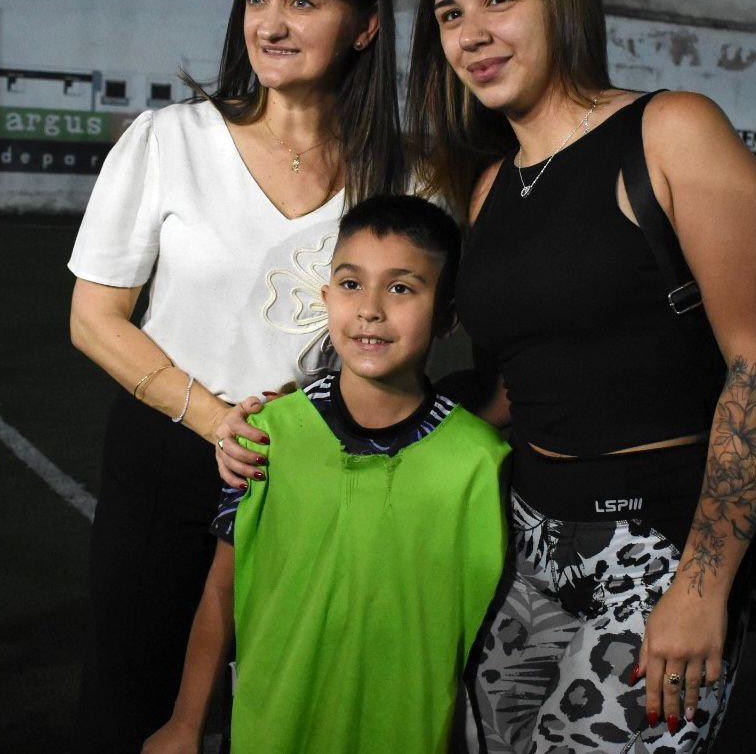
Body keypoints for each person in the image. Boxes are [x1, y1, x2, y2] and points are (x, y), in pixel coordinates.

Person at [399, 0, 756, 752]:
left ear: (562, 1)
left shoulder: (671, 132)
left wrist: (702, 585)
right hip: (524, 545)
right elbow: (519, 384)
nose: (473, 34)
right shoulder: (489, 185)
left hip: (655, 547)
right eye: (450, 14)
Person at [66, 0, 403, 751]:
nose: (271, 24)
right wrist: (218, 421)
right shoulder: (169, 139)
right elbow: (94, 318)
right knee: (132, 702)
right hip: (170, 456)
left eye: (303, 1)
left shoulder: (405, 174)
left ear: (365, 26)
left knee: (284, 713)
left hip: (321, 470)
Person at [144, 195, 509, 753]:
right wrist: (185, 723)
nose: (370, 309)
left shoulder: (480, 461)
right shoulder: (267, 435)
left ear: (447, 315)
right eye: (351, 283)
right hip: (271, 731)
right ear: (325, 297)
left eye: (402, 288)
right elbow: (223, 585)